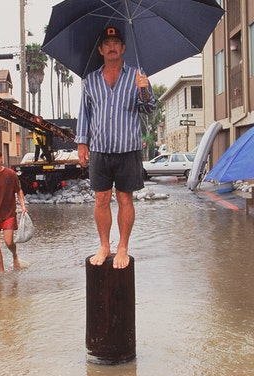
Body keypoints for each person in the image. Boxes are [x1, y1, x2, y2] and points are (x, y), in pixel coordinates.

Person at [76, 26, 156, 269]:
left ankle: (122, 246)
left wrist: (144, 89)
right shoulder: (90, 80)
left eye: (116, 42)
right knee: (101, 199)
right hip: (100, 148)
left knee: (124, 198)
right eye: (107, 43)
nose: (111, 46)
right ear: (101, 49)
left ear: (123, 48)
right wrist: (82, 142)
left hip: (128, 147)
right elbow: (85, 113)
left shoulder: (137, 76)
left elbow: (149, 110)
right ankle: (104, 245)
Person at [0, 149, 27, 273]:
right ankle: (1, 272)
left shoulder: (10, 174)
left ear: (1, 159)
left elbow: (18, 191)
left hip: (8, 213)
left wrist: (22, 206)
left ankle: (15, 256)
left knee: (8, 242)